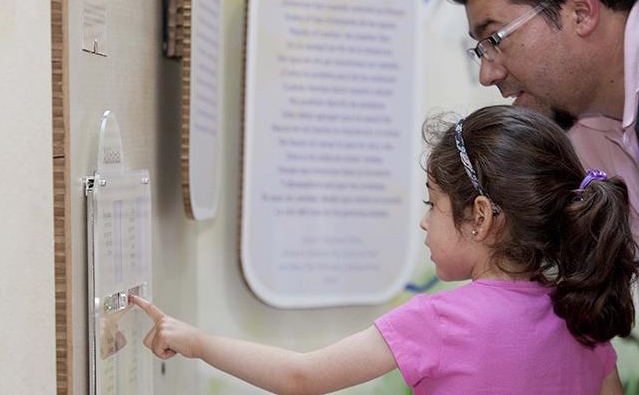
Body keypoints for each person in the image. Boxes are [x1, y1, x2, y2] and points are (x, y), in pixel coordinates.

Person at [132, 106, 638, 394]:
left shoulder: (440, 319)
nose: (422, 220)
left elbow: (302, 376)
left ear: (480, 217)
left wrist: (194, 340)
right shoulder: (583, 320)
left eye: (432, 203)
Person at [442, 0, 639, 233]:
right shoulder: (574, 131)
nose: (487, 75)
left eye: (494, 40)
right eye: (480, 51)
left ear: (581, 11)